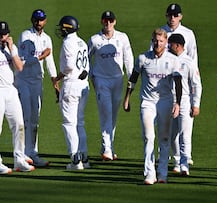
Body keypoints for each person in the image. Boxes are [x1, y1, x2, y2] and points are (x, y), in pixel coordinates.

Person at [123, 28, 182, 185]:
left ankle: (162, 173)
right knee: (148, 137)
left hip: (165, 101)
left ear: (166, 42)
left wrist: (178, 103)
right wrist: (127, 98)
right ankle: (149, 173)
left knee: (164, 137)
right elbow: (133, 79)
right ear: (152, 41)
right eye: (155, 40)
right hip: (147, 103)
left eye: (161, 41)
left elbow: (178, 82)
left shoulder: (173, 60)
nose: (158, 43)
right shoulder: (143, 58)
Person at [88, 10, 134, 161]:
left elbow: (128, 57)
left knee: (113, 115)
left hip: (118, 80)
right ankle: (107, 149)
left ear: (115, 21)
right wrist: (92, 76)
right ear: (102, 21)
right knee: (106, 113)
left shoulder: (122, 37)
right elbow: (85, 58)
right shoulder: (95, 40)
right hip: (101, 80)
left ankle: (107, 146)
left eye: (110, 20)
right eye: (105, 20)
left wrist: (131, 77)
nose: (108, 23)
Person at [15, 9, 58, 167]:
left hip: (37, 81)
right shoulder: (26, 36)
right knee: (26, 117)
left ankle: (32, 152)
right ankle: (23, 153)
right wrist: (41, 56)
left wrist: (55, 82)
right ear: (32, 20)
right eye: (35, 20)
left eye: (41, 20)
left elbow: (50, 62)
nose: (38, 23)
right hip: (24, 81)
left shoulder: (47, 39)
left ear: (45, 21)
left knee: (35, 118)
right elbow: (23, 62)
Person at [160, 3, 199, 166]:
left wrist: (193, 91)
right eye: (170, 15)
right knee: (169, 128)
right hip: (167, 88)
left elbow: (193, 60)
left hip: (184, 84)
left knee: (184, 128)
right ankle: (174, 157)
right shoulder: (161, 33)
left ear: (181, 16)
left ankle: (184, 158)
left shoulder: (188, 34)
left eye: (175, 15)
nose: (172, 18)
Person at [54, 15, 90, 170]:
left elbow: (68, 66)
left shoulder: (68, 42)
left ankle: (75, 160)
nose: (60, 30)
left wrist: (57, 78)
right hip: (83, 84)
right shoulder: (81, 41)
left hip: (71, 85)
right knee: (79, 122)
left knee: (69, 123)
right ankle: (84, 157)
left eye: (62, 28)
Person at [0, 21, 35, 173]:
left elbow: (19, 67)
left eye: (5, 34)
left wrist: (11, 50)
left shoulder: (10, 48)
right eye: (0, 35)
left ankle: (19, 160)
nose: (3, 37)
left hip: (10, 90)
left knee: (19, 125)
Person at [168, 33, 202, 176]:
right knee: (172, 135)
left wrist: (196, 104)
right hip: (169, 100)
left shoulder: (189, 62)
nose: (168, 46)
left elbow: (196, 84)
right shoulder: (167, 59)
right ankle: (176, 161)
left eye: (171, 44)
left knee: (185, 134)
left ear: (178, 45)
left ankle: (184, 164)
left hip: (185, 101)